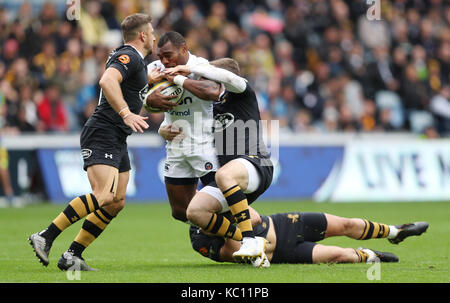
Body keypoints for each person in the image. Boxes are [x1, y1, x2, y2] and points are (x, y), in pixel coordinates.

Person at [28, 13, 155, 271]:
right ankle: (45, 235)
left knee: (116, 200)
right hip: (103, 131)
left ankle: (73, 254)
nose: (154, 37)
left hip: (117, 136)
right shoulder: (129, 56)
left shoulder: (137, 61)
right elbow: (107, 80)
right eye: (152, 32)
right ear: (142, 35)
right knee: (102, 194)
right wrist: (125, 113)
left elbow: (131, 92)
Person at [161, 58, 274, 267]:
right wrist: (162, 130)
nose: (202, 84)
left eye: (206, 79)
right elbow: (183, 124)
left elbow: (229, 77)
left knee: (224, 174)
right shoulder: (208, 107)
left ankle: (248, 239)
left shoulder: (241, 92)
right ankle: (252, 242)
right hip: (230, 179)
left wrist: (185, 72)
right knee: (194, 212)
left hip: (256, 164)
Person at [145, 31, 220, 223]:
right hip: (176, 144)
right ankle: (215, 234)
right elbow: (141, 100)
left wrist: (179, 79)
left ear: (183, 49)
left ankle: (248, 234)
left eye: (168, 55)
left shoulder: (199, 65)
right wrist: (148, 99)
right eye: (160, 56)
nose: (164, 61)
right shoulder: (154, 69)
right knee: (180, 211)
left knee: (224, 201)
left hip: (204, 144)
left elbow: (213, 92)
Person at [189, 206, 429, 265]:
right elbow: (236, 253)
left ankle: (396, 231)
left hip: (288, 223)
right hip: (286, 252)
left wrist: (227, 214)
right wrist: (226, 227)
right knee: (341, 255)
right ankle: (370, 256)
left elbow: (254, 220)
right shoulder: (198, 239)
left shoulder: (222, 202)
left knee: (346, 224)